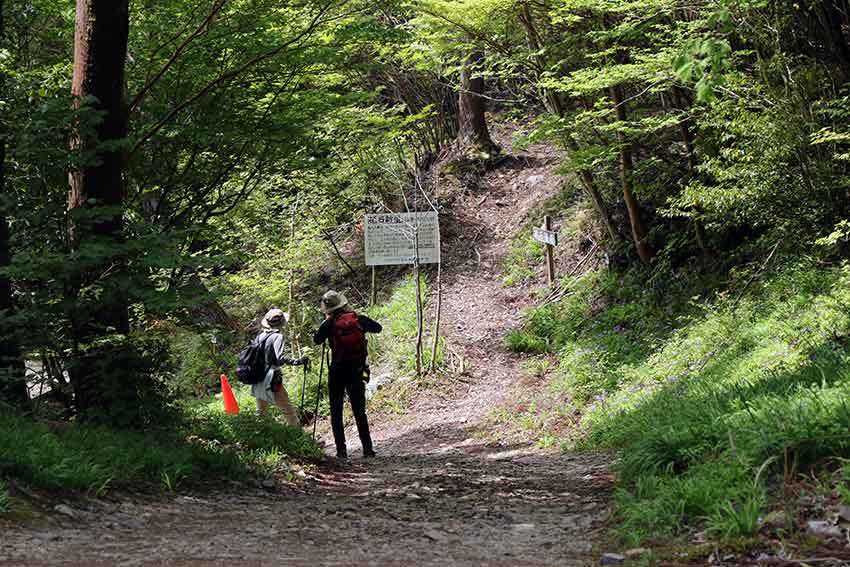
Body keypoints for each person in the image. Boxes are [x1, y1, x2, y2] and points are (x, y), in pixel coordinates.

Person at [313, 290, 381, 459]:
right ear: (342, 304)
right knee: (359, 410)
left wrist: (327, 325)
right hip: (357, 370)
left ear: (327, 309)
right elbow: (378, 328)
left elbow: (316, 340)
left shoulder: (328, 324)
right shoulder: (358, 319)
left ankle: (341, 451)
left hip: (337, 371)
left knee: (336, 411)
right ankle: (367, 449)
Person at [252, 308, 308, 427]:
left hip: (258, 376)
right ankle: (299, 437)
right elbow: (280, 358)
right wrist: (297, 361)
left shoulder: (260, 336)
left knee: (261, 410)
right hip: (271, 377)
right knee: (286, 408)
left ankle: (256, 436)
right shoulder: (277, 336)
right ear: (282, 323)